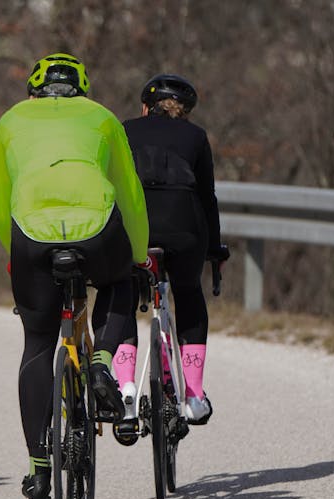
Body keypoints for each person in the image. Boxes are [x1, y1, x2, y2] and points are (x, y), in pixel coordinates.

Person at [0, 52, 150, 499]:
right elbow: (130, 192)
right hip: (96, 228)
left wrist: (14, 255)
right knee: (120, 283)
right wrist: (138, 258)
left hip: (32, 236)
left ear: (34, 87)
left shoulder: (11, 119)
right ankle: (100, 361)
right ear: (81, 85)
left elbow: (2, 200)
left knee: (38, 344)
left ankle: (39, 469)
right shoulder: (101, 117)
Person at [122, 74, 229, 426]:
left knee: (121, 293)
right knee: (188, 295)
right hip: (184, 231)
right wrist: (213, 248)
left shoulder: (126, 129)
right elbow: (206, 197)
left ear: (145, 107)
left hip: (136, 230)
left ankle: (125, 389)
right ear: (184, 113)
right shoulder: (196, 137)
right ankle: (194, 396)